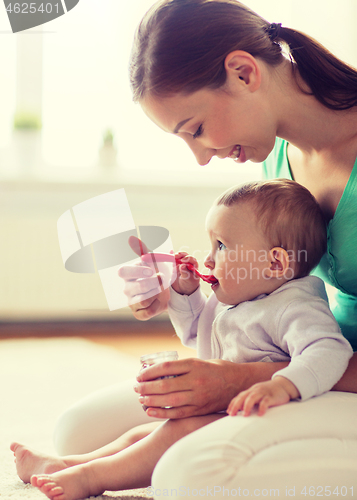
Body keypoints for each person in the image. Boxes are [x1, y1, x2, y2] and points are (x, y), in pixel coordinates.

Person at [22, 0, 357, 494]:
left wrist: (238, 380)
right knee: (80, 430)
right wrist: (180, 294)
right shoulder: (279, 162)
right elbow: (259, 284)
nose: (201, 158)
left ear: (244, 73)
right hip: (302, 359)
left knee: (187, 473)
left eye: (195, 130)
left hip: (323, 370)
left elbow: (310, 344)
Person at [10, 179, 352, 500]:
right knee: (141, 436)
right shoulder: (243, 295)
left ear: (275, 262)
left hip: (275, 410)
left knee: (170, 436)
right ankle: (67, 465)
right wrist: (185, 294)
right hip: (225, 406)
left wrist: (284, 385)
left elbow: (329, 350)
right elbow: (195, 334)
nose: (207, 259)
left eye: (221, 246)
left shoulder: (295, 306)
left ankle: (91, 479)